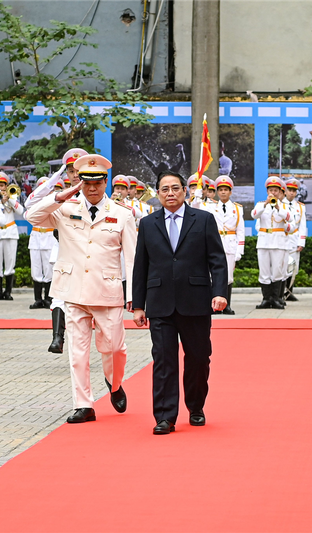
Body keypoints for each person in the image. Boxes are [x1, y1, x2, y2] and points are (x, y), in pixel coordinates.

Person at [25, 154, 136, 424]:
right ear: (80, 183)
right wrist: (61, 196)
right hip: (72, 290)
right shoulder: (64, 209)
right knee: (77, 352)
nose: (92, 188)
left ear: (106, 182)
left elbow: (132, 257)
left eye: (97, 182)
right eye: (87, 183)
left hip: (107, 292)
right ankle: (84, 404)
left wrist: (133, 294)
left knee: (114, 348)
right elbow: (31, 216)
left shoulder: (122, 214)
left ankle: (114, 382)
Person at [132, 171, 228, 435]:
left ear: (185, 191)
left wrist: (220, 293)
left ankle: (196, 406)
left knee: (198, 359)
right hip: (160, 303)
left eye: (175, 188)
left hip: (195, 302)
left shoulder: (204, 220)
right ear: (158, 193)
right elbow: (140, 266)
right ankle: (165, 416)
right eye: (164, 189)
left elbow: (217, 261)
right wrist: (138, 305)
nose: (170, 193)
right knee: (163, 359)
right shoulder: (148, 223)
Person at [25, 148, 88, 354]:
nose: (75, 174)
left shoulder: (93, 194)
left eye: (78, 169)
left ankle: (82, 342)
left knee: (85, 301)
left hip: (87, 255)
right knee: (59, 297)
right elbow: (30, 204)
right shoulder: (58, 197)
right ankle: (57, 338)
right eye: (70, 170)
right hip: (62, 252)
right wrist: (54, 180)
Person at [251, 176, 292, 309]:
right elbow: (254, 215)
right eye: (271, 190)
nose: (273, 193)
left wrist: (278, 206)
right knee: (264, 271)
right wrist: (266, 204)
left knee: (277, 271)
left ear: (280, 191)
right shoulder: (261, 205)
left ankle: (276, 298)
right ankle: (266, 298)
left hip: (279, 242)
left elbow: (289, 218)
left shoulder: (284, 206)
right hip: (263, 241)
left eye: (275, 190)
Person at [211, 175, 245, 314]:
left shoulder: (237, 209)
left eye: (226, 189)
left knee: (228, 277)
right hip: (215, 244)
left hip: (230, 244)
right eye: (221, 190)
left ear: (230, 192)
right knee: (213, 276)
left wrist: (239, 251)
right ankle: (214, 305)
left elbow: (240, 231)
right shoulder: (211, 207)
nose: (223, 192)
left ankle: (227, 305)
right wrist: (198, 195)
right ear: (217, 192)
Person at [0, 171, 24, 300]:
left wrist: (9, 200)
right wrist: (0, 201)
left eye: (2, 185)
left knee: (10, 263)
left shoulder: (12, 197)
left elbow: (21, 211)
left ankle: (8, 292)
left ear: (6, 186)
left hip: (10, 232)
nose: (0, 188)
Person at [27, 176, 55, 309]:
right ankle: (38, 299)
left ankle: (48, 298)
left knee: (49, 269)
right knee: (36, 269)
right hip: (36, 237)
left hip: (49, 237)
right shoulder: (34, 203)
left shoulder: (54, 201)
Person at [282, 178, 306, 302]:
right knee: (282, 266)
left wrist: (301, 242)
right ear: (285, 191)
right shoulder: (280, 204)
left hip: (294, 239)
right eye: (289, 190)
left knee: (293, 267)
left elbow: (302, 225)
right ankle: (281, 292)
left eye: (294, 191)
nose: (291, 193)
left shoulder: (300, 207)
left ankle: (289, 291)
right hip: (282, 238)